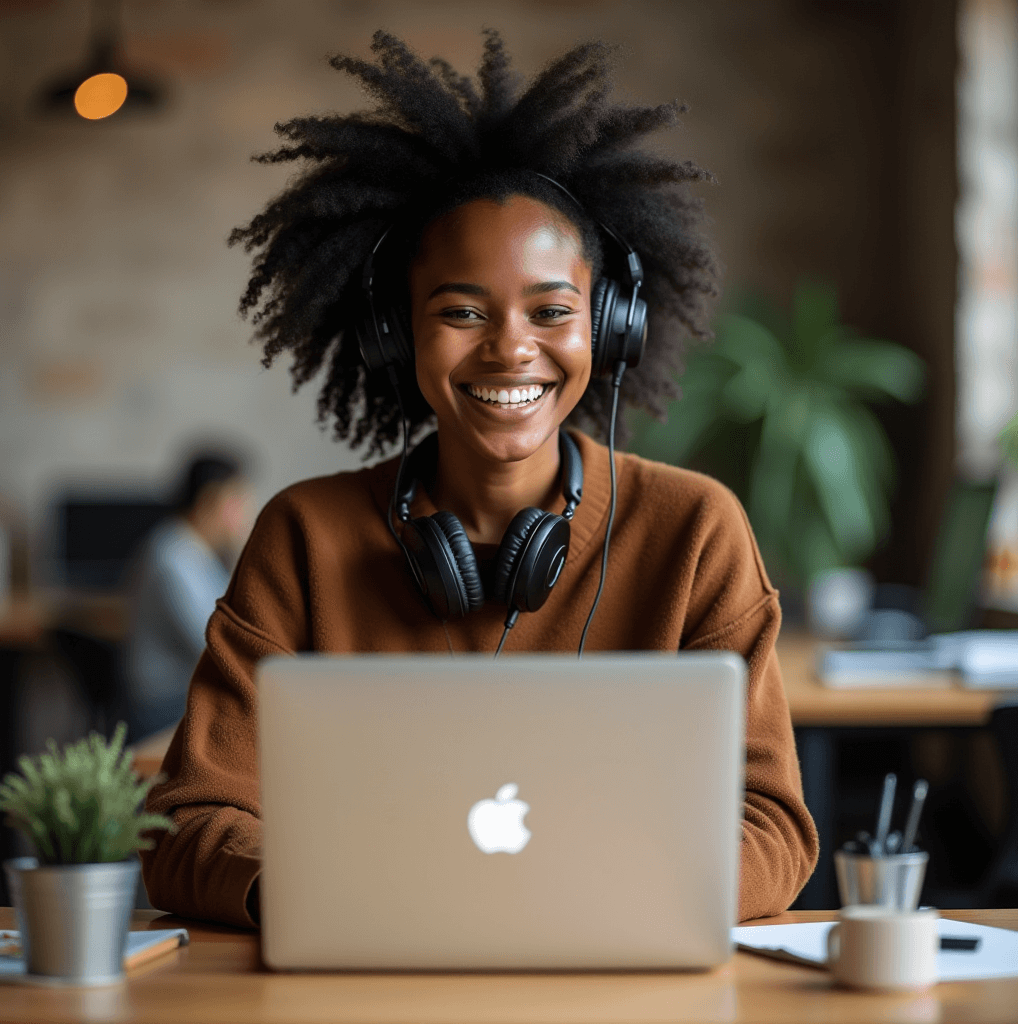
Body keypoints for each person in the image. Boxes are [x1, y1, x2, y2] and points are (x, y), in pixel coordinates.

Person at [142, 31, 818, 928]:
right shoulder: (305, 536)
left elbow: (770, 826)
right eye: (462, 311)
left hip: (616, 960)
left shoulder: (693, 530)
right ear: (395, 335)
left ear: (607, 331)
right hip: (366, 969)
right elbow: (189, 822)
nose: (510, 347)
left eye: (552, 311)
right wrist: (318, 899)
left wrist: (606, 900)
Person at [123, 452, 253, 740]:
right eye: (238, 501)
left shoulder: (197, 552)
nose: (245, 512)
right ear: (210, 499)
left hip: (187, 694)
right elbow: (215, 644)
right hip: (166, 704)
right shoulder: (172, 556)